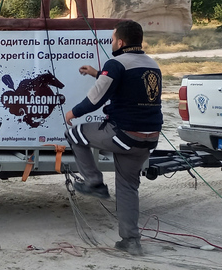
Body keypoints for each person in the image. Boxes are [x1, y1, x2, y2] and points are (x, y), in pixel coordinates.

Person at [64, 20, 163, 256]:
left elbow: (95, 99)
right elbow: (128, 86)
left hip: (124, 134)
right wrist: (97, 73)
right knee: (128, 186)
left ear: (120, 41)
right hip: (148, 139)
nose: (111, 43)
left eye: (112, 39)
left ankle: (94, 182)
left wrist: (73, 113)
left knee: (74, 133)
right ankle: (131, 241)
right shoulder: (152, 65)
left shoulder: (116, 63)